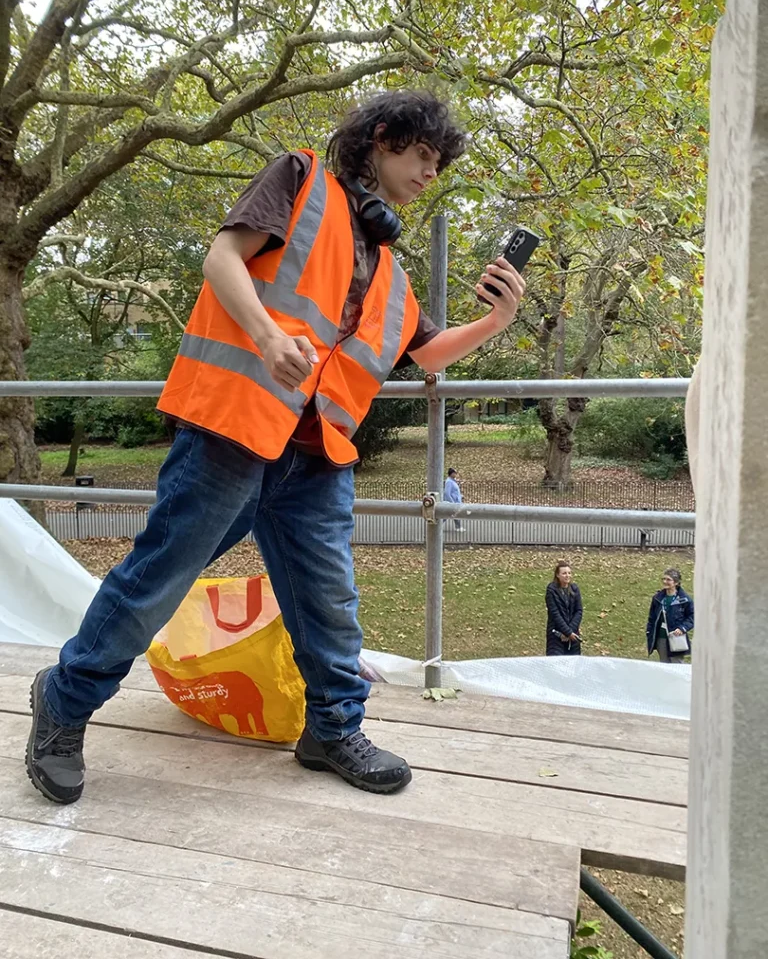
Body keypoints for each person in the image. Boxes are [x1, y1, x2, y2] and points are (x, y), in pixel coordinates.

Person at [26, 89, 527, 804]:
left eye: (438, 163)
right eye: (421, 154)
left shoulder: (391, 272)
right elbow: (223, 258)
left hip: (316, 454)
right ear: (381, 138)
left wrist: (496, 321)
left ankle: (331, 728)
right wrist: (265, 336)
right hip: (232, 428)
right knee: (155, 584)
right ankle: (64, 703)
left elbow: (430, 354)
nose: (430, 172)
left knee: (331, 603)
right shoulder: (297, 178)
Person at [646, 568, 694, 663]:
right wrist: (649, 632)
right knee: (664, 665)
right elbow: (652, 618)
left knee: (677, 665)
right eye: (664, 579)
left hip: (676, 638)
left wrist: (682, 628)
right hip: (661, 638)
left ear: (676, 583)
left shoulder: (684, 599)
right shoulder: (657, 598)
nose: (665, 582)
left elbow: (693, 616)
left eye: (668, 580)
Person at [545, 561, 583, 655]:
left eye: (569, 573)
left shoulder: (574, 589)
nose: (567, 576)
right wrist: (566, 632)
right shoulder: (551, 590)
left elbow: (578, 610)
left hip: (573, 635)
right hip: (556, 634)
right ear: (558, 575)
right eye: (564, 573)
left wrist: (570, 632)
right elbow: (555, 613)